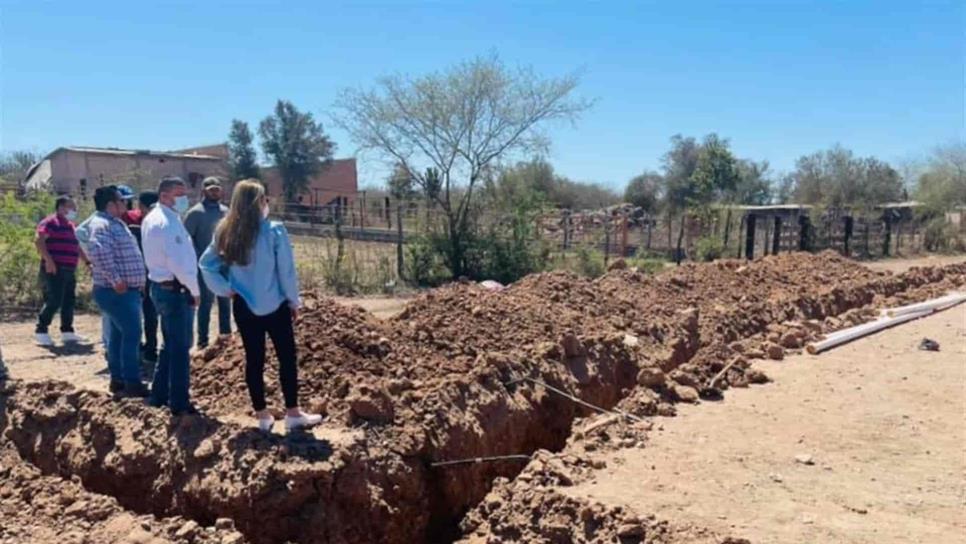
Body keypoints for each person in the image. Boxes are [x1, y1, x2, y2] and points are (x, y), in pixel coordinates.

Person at [199, 179, 320, 432]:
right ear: (259, 202)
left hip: (243, 305)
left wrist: (226, 289)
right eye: (264, 198)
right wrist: (293, 301)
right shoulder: (274, 231)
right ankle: (293, 413)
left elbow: (206, 264)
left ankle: (263, 416)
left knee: (254, 360)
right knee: (286, 357)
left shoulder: (225, 231)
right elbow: (285, 271)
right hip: (275, 304)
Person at [142, 177, 200, 416]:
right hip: (175, 289)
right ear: (165, 195)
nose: (184, 198)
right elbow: (177, 262)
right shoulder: (166, 222)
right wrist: (194, 290)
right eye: (179, 193)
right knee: (180, 349)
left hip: (162, 287)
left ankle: (159, 395)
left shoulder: (156, 218)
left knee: (169, 346)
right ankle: (179, 402)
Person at [86, 186, 149, 397]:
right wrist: (116, 280)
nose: (126, 204)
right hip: (117, 292)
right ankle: (132, 382)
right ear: (111, 204)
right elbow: (98, 252)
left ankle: (118, 380)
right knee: (132, 335)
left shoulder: (113, 223)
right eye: (122, 201)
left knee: (118, 337)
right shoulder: (102, 225)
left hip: (123, 291)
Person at [34, 195, 88, 346]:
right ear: (61, 207)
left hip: (69, 268)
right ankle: (41, 330)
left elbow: (76, 246)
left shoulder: (70, 225)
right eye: (72, 206)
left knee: (68, 300)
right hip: (55, 267)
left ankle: (67, 331)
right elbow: (39, 241)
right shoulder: (50, 222)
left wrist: (87, 261)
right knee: (54, 299)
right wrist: (49, 261)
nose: (74, 210)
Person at [184, 177, 231, 348]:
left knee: (226, 302)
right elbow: (186, 241)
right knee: (205, 304)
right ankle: (203, 342)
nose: (215, 192)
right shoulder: (195, 213)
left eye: (217, 189)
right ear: (203, 191)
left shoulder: (226, 212)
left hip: (225, 266)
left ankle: (226, 340)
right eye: (211, 189)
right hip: (205, 267)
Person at [124, 190, 160, 363]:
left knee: (151, 314)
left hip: (151, 274)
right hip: (134, 275)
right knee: (133, 314)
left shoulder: (158, 222)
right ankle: (136, 348)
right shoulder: (130, 220)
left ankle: (151, 348)